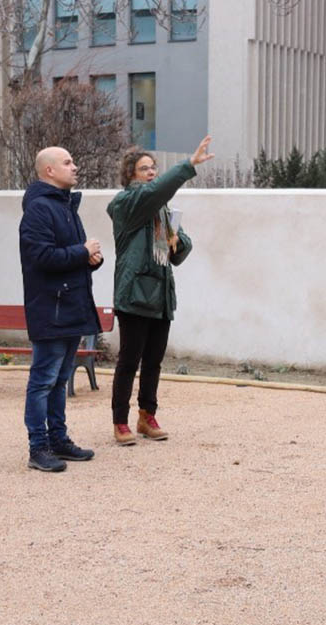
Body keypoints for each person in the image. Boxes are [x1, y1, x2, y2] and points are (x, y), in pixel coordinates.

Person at [108, 135, 214, 445]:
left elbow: (178, 255)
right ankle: (120, 422)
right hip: (135, 295)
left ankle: (146, 416)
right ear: (130, 175)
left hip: (161, 296)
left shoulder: (162, 213)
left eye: (154, 167)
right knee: (129, 360)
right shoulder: (127, 204)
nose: (152, 172)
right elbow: (155, 192)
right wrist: (188, 166)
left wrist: (176, 239)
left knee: (153, 360)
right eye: (144, 168)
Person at [19, 147, 104, 471]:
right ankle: (38, 448)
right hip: (51, 310)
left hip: (70, 307)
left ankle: (58, 440)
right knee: (43, 381)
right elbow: (41, 257)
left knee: (60, 379)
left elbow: (67, 257)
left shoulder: (66, 207)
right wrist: (81, 251)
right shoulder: (39, 210)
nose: (75, 166)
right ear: (49, 171)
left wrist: (90, 259)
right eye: (67, 163)